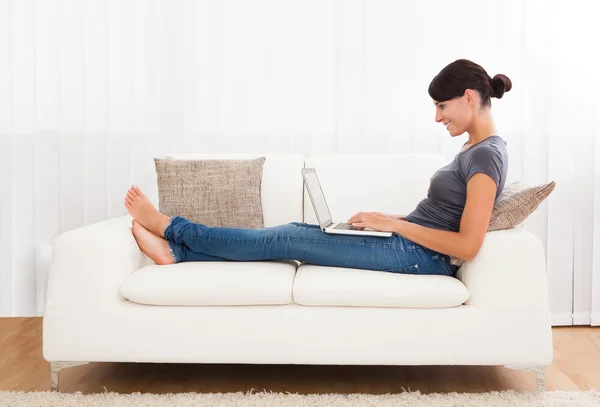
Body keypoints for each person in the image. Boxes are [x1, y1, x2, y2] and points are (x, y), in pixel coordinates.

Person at [124, 59, 510, 278]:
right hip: (408, 243)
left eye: (442, 106)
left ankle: (172, 228)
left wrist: (394, 225)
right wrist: (386, 218)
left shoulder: (485, 155)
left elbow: (467, 245)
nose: (437, 116)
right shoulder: (474, 149)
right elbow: (443, 219)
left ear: (470, 98)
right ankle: (180, 255)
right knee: (291, 236)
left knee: (287, 237)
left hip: (418, 255)